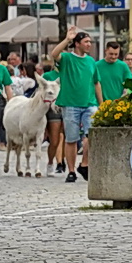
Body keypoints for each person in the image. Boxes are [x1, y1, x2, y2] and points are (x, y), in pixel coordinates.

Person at [48, 28, 100, 183]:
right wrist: (66, 40)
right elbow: (54, 54)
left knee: (92, 135)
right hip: (70, 104)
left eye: (90, 41)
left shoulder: (91, 61)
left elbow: (96, 82)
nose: (89, 44)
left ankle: (84, 164)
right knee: (71, 139)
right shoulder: (67, 58)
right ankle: (71, 170)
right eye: (86, 42)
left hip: (90, 103)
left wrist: (102, 103)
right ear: (77, 44)